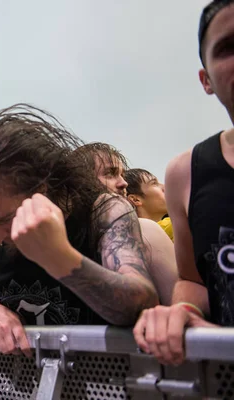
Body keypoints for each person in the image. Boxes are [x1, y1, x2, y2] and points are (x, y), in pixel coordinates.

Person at [0, 104, 158, 357]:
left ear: (45, 186)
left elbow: (141, 305)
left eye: (6, 219)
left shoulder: (104, 212)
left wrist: (59, 258)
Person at [134, 0, 234, 365]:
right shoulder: (186, 172)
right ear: (206, 80)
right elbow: (193, 281)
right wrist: (182, 310)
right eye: (227, 48)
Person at [75, 143, 178, 306]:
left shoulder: (147, 231)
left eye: (122, 175)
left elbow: (179, 308)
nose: (124, 183)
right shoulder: (63, 237)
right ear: (81, 181)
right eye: (110, 173)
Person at [124, 169, 173, 241]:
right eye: (154, 183)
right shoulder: (176, 226)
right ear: (135, 199)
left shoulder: (129, 239)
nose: (164, 187)